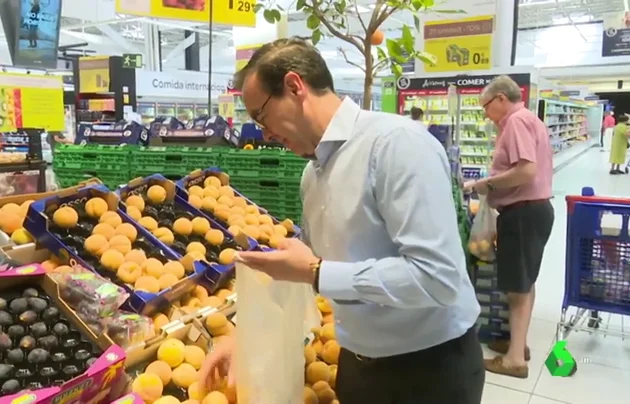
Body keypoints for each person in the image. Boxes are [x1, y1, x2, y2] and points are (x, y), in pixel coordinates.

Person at [198, 37, 484, 403]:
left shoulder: (396, 145)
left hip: (428, 372)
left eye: (261, 116)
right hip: (358, 366)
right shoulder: (312, 174)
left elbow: (437, 277)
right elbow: (299, 272)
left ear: (294, 86)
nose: (264, 134)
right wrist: (244, 335)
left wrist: (318, 272)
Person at [463, 75, 554, 379]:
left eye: (485, 107)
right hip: (534, 212)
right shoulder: (530, 120)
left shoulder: (515, 121)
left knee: (517, 287)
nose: (485, 115)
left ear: (501, 98)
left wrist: (483, 184)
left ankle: (515, 359)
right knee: (525, 282)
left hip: (523, 213)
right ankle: (519, 344)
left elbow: (526, 170)